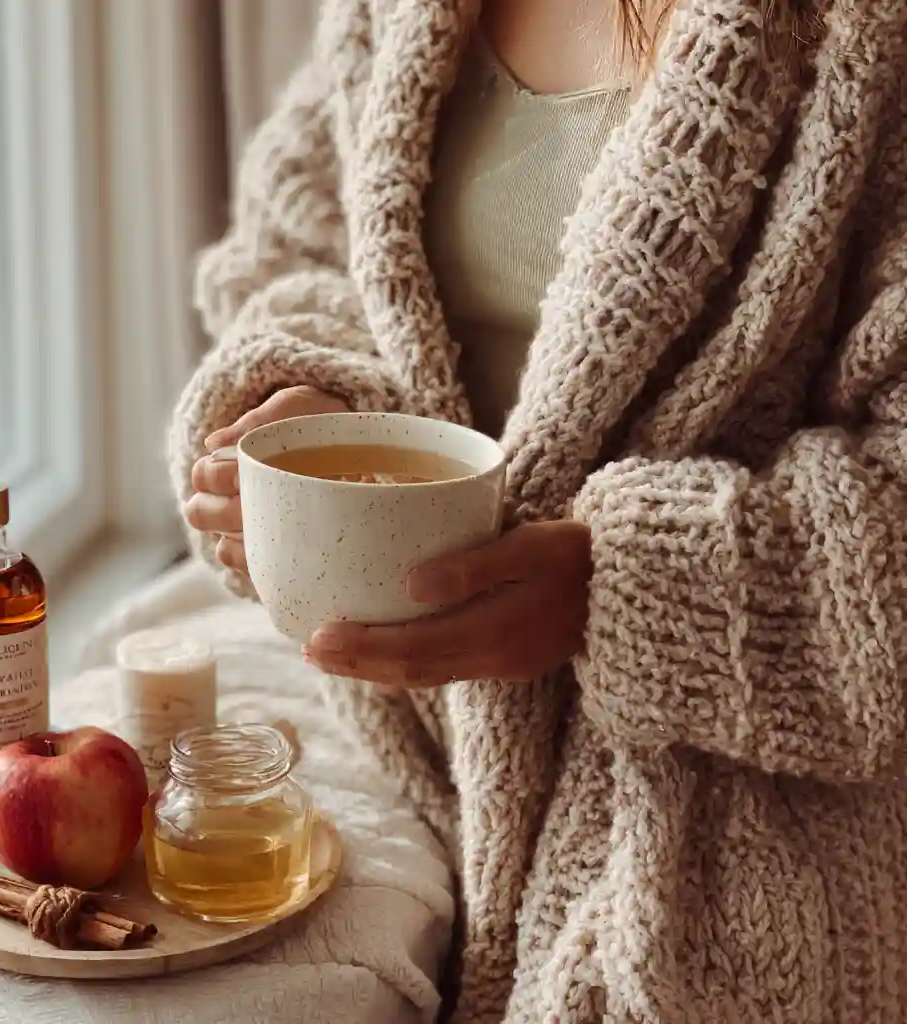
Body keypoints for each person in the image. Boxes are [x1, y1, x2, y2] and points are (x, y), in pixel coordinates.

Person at [170, 0, 907, 1019]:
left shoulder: (865, 44)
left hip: (731, 767)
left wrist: (624, 591)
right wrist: (299, 406)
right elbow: (292, 252)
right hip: (399, 714)